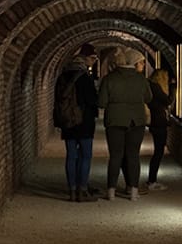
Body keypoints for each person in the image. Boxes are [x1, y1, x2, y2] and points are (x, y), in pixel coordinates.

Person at [96, 47, 151, 200]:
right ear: (134, 63)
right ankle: (133, 191)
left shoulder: (109, 79)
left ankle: (111, 191)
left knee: (115, 156)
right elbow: (148, 98)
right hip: (136, 121)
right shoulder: (141, 79)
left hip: (114, 121)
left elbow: (101, 102)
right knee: (133, 155)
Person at [54, 56, 98, 201]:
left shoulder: (62, 77)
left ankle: (72, 190)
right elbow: (92, 101)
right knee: (85, 156)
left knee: (71, 156)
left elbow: (58, 101)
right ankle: (82, 190)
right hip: (84, 122)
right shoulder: (85, 78)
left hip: (68, 123)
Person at [145, 68, 171, 190]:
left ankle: (152, 179)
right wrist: (174, 90)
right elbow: (167, 101)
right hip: (158, 122)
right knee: (158, 152)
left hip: (156, 122)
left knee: (158, 151)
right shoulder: (156, 88)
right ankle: (152, 180)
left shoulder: (151, 86)